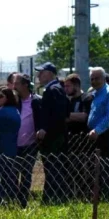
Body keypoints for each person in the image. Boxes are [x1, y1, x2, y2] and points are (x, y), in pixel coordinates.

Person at [35, 62, 70, 204]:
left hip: (53, 138)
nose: (38, 75)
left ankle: (53, 199)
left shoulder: (52, 90)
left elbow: (58, 114)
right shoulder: (58, 88)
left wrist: (45, 128)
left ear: (49, 73)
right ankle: (53, 198)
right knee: (54, 168)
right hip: (58, 135)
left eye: (41, 73)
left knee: (53, 168)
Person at [13, 73, 42, 208]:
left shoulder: (36, 101)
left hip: (30, 145)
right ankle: (13, 201)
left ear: (25, 85)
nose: (14, 86)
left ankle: (23, 202)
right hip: (14, 144)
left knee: (26, 173)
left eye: (17, 83)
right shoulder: (13, 101)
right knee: (12, 173)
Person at [64, 73, 94, 200]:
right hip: (71, 141)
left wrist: (65, 116)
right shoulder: (69, 100)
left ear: (76, 85)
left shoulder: (87, 98)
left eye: (68, 86)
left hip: (84, 141)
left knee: (86, 171)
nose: (66, 89)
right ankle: (74, 196)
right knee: (72, 171)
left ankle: (85, 196)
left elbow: (85, 116)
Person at [88, 67, 109, 200]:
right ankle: (100, 197)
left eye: (97, 78)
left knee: (106, 168)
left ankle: (107, 197)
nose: (94, 81)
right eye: (92, 79)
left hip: (106, 135)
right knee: (97, 168)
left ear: (104, 78)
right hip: (96, 137)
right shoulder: (96, 94)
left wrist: (97, 130)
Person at [0, 88, 21, 205]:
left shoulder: (2, 112)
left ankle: (0, 200)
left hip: (0, 147)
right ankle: (12, 198)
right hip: (12, 147)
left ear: (7, 98)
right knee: (10, 175)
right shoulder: (16, 111)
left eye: (1, 96)